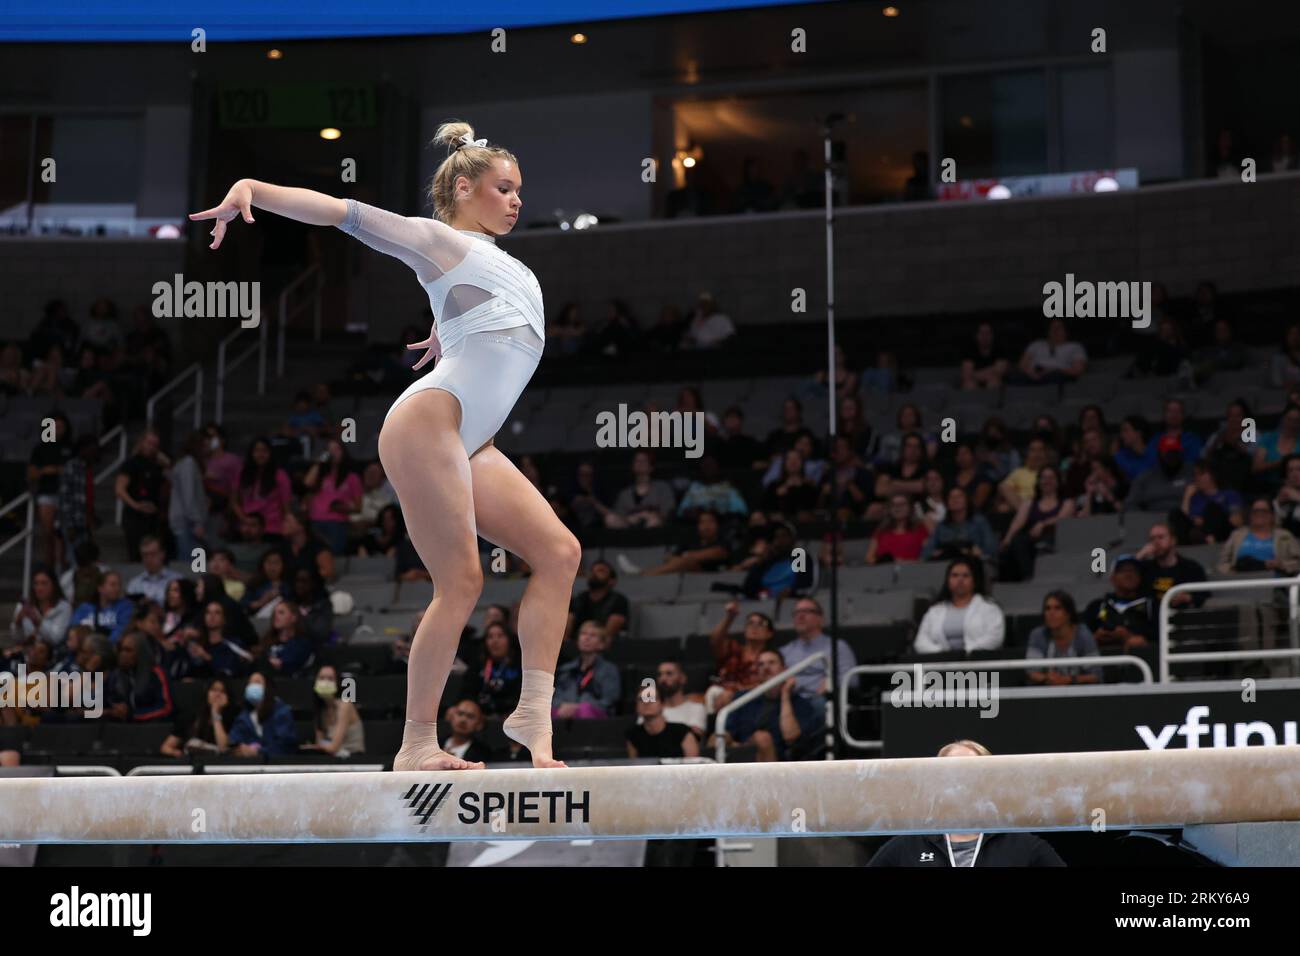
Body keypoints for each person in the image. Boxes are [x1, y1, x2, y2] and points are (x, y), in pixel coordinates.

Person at [193, 123, 581, 774]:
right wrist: (253, 188)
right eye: (504, 188)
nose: (517, 201)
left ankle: (532, 714)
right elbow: (343, 215)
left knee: (559, 553)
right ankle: (416, 744)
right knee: (461, 581)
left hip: (471, 438)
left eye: (520, 191)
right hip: (430, 423)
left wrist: (446, 328)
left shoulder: (497, 263)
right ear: (464, 187)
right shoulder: (435, 239)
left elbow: (483, 310)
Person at [867, 740, 1065, 867]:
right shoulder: (908, 845)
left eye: (968, 772)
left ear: (987, 780)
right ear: (937, 781)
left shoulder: (1022, 845)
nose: (959, 781)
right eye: (951, 772)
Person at [707, 648, 822, 761]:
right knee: (715, 738)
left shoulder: (800, 704)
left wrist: (785, 695)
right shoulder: (743, 698)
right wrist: (726, 741)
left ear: (784, 669)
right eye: (761, 664)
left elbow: (791, 737)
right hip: (741, 754)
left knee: (762, 738)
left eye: (771, 663)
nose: (766, 667)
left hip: (779, 763)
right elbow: (727, 731)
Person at [912, 557, 1005, 654]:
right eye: (955, 575)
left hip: (978, 664)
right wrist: (942, 654)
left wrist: (966, 653)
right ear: (948, 581)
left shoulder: (989, 608)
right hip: (941, 666)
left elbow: (995, 638)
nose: (960, 580)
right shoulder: (935, 611)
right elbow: (920, 642)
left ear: (975, 581)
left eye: (966, 576)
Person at [778, 597, 856, 698]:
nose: (800, 616)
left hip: (823, 702)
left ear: (821, 619)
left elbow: (852, 680)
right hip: (790, 702)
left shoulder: (838, 647)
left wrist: (831, 684)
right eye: (796, 612)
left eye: (807, 611)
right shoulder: (784, 652)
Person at [706, 600, 775, 713]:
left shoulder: (770, 658)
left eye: (761, 624)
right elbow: (715, 641)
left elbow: (769, 685)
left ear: (769, 633)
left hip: (754, 701)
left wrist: (735, 692)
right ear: (745, 630)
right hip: (720, 697)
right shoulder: (734, 649)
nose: (754, 627)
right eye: (750, 623)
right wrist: (730, 617)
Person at [114, 428, 170, 562]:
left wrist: (166, 463)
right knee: (138, 554)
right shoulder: (131, 463)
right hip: (135, 517)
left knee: (156, 553)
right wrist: (136, 505)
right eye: (149, 443)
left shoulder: (158, 465)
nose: (151, 447)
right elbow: (119, 489)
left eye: (155, 445)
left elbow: (167, 486)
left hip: (153, 516)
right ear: (141, 443)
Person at [1026, 591, 1101, 685]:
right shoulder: (1038, 635)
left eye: (1057, 608)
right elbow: (1031, 672)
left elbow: (1096, 675)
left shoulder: (1083, 634)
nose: (1051, 613)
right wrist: (1047, 679)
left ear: (1068, 613)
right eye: (1047, 608)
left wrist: (1068, 680)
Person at [303, 438, 363, 555]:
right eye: (329, 450)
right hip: (316, 521)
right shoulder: (321, 475)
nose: (333, 453)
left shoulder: (352, 478)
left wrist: (341, 508)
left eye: (336, 449)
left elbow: (358, 507)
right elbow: (307, 482)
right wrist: (320, 462)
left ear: (343, 452)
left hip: (337, 524)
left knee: (334, 554)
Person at [553, 620, 621, 719]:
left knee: (585, 710)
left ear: (602, 644)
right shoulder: (565, 669)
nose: (586, 638)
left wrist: (577, 707)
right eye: (583, 634)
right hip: (565, 709)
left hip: (594, 712)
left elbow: (609, 700)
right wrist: (562, 705)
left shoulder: (609, 670)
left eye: (593, 635)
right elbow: (556, 695)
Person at [1217, 497, 1300, 575]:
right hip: (1240, 583)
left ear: (1272, 515)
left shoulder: (1284, 535)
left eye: (1264, 511)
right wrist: (1231, 571)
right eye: (1255, 511)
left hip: (1275, 584)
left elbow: (1298, 562)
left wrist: (1281, 564)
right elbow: (1222, 563)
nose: (1259, 514)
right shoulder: (1237, 534)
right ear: (1250, 515)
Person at [1134, 522, 1208, 608]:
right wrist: (1140, 555)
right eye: (1152, 539)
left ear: (1173, 540)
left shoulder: (1191, 568)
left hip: (1180, 617)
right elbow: (1124, 578)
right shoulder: (1145, 568)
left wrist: (1187, 598)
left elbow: (1204, 596)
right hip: (1151, 618)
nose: (1156, 542)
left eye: (1160, 537)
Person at [105, 631, 174, 723]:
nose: (123, 654)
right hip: (125, 726)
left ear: (140, 653)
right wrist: (115, 709)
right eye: (121, 650)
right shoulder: (117, 675)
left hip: (152, 726)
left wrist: (133, 715)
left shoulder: (157, 673)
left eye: (128, 650)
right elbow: (109, 699)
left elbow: (166, 708)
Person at [460, 620, 523, 716]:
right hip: (479, 713)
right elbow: (467, 691)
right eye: (490, 637)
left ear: (509, 640)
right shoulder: (478, 663)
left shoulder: (520, 664)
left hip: (511, 713)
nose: (495, 640)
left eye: (500, 636)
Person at [302, 664, 366, 757]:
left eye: (330, 679)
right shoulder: (320, 709)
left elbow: (333, 747)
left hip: (353, 759)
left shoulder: (345, 704)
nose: (325, 682)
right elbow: (320, 741)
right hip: (331, 759)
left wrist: (315, 747)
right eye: (322, 678)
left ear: (337, 683)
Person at [228, 671, 298, 757]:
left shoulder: (282, 712)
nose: (252, 686)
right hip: (248, 765)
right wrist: (239, 749)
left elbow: (286, 746)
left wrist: (259, 752)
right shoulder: (244, 716)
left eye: (257, 682)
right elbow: (234, 741)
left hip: (277, 765)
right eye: (250, 683)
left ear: (268, 687)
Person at [160, 679, 233, 757]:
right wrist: (180, 754)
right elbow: (165, 748)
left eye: (223, 691)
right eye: (214, 690)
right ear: (206, 693)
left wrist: (215, 713)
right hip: (191, 762)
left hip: (218, 765)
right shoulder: (191, 716)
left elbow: (223, 748)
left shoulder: (233, 718)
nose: (218, 694)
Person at [169, 430, 210, 563]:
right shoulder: (188, 464)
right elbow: (189, 495)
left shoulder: (187, 463)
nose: (207, 449)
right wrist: (197, 521)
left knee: (193, 563)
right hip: (187, 523)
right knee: (192, 565)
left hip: (188, 522)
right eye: (205, 446)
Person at [565, 559, 629, 643]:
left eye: (601, 571)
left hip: (604, 647)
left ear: (612, 581)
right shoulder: (579, 598)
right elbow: (567, 625)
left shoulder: (618, 600)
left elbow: (609, 633)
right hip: (576, 644)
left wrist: (589, 641)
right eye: (592, 571)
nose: (594, 574)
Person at [643, 659, 706, 737]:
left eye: (669, 674)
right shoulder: (648, 709)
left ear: (683, 678)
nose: (663, 679)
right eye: (659, 675)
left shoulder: (696, 709)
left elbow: (694, 739)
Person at [10, 567, 71, 646]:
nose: (39, 588)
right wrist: (18, 622)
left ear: (54, 585)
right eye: (36, 583)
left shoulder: (64, 608)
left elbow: (56, 639)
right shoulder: (24, 606)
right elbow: (16, 639)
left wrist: (38, 622)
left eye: (44, 583)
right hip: (27, 653)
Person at [69, 570, 135, 644]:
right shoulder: (84, 608)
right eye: (113, 585)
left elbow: (120, 631)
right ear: (100, 588)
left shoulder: (125, 607)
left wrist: (102, 647)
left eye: (119, 585)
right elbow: (74, 629)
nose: (117, 588)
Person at [627, 693, 699, 758]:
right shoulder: (633, 734)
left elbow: (693, 766)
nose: (646, 702)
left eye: (652, 698)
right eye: (641, 699)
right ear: (636, 706)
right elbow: (634, 765)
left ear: (662, 704)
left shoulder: (682, 731)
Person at [866, 493, 929, 564]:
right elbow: (869, 558)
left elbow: (927, 557)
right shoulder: (881, 531)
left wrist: (903, 563)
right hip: (883, 572)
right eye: (893, 505)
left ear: (910, 507)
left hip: (913, 570)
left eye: (902, 504)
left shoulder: (920, 529)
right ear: (889, 508)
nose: (897, 507)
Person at [124, 535, 182, 605]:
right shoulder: (134, 584)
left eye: (153, 554)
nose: (149, 559)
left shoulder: (178, 580)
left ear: (162, 554)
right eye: (145, 555)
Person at [439, 699, 493, 763]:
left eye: (470, 716)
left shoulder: (483, 754)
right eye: (460, 714)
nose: (463, 720)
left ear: (479, 724)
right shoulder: (435, 744)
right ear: (450, 716)